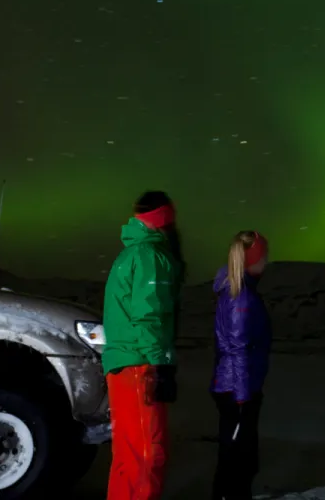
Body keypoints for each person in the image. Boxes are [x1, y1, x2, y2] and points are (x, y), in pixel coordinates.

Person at [101, 190, 185, 500]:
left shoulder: (129, 255)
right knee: (149, 453)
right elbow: (150, 315)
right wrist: (160, 365)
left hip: (123, 365)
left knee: (128, 454)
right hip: (141, 364)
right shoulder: (151, 257)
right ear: (165, 220)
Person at [210, 231, 273, 500]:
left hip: (238, 386)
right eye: (264, 257)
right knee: (237, 458)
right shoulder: (241, 297)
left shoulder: (241, 291)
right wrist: (243, 397)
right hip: (237, 389)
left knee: (240, 455)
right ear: (254, 259)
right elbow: (238, 348)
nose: (267, 263)